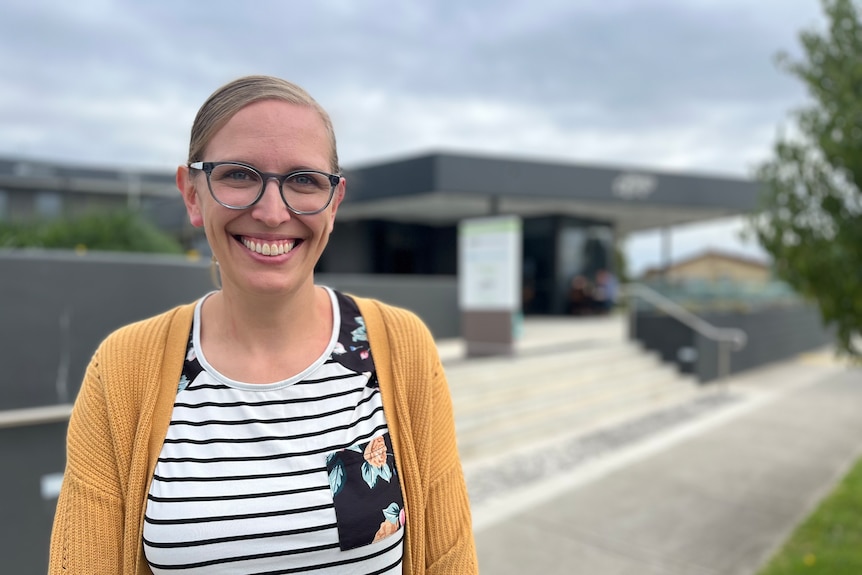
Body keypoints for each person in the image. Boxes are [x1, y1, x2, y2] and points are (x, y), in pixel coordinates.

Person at [49, 75, 478, 574]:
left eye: (304, 180)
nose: (273, 213)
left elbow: (450, 561)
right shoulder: (123, 369)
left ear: (334, 204)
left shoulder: (401, 347)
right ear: (192, 194)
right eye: (239, 175)